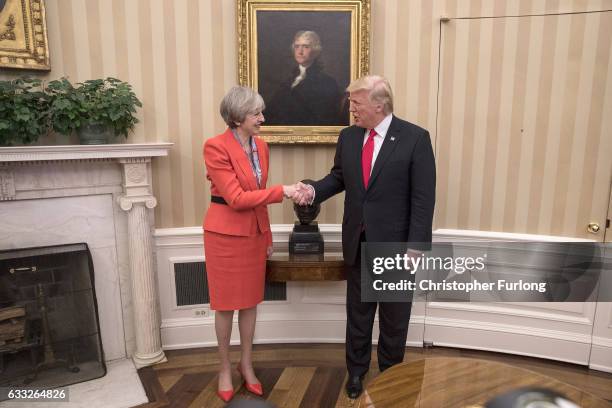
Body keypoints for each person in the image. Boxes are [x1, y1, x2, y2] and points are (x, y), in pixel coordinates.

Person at [292, 75, 436, 399]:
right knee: (358, 315)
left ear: (378, 104)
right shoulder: (349, 138)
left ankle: (390, 374)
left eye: (356, 103)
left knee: (394, 318)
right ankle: (356, 373)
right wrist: (313, 190)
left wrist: (417, 245)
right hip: (358, 242)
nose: (351, 109)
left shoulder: (415, 138)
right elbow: (339, 177)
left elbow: (423, 198)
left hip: (397, 247)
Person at [203, 86, 297, 402]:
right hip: (225, 236)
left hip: (254, 235)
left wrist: (266, 235)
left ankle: (246, 364)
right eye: (256, 113)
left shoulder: (262, 147)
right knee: (225, 305)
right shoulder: (215, 147)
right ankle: (225, 369)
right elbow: (237, 198)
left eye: (261, 112)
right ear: (238, 116)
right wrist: (283, 190)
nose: (262, 118)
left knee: (250, 303)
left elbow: (257, 199)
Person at [264, 30, 347, 126]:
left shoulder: (327, 82)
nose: (300, 51)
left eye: (306, 47)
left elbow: (324, 117)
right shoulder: (288, 80)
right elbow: (272, 110)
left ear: (315, 51)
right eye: (297, 46)